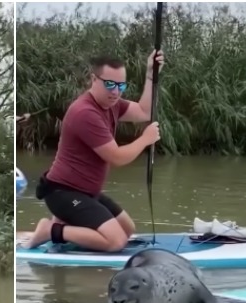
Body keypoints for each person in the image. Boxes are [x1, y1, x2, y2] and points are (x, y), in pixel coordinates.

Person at [21, 52, 165, 252]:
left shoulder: (112, 105)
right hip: (63, 192)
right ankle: (51, 230)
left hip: (87, 193)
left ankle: (65, 223)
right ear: (93, 80)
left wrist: (150, 76)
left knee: (127, 230)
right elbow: (116, 158)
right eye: (109, 84)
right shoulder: (85, 113)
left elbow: (143, 112)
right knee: (116, 242)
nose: (115, 92)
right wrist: (145, 140)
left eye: (120, 86)